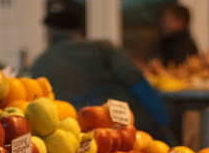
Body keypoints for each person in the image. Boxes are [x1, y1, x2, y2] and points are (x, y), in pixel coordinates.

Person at [30, 8, 174, 142]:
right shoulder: (101, 48)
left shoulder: (40, 63)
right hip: (126, 123)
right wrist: (163, 122)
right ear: (79, 29)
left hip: (78, 133)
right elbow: (135, 80)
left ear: (50, 32)